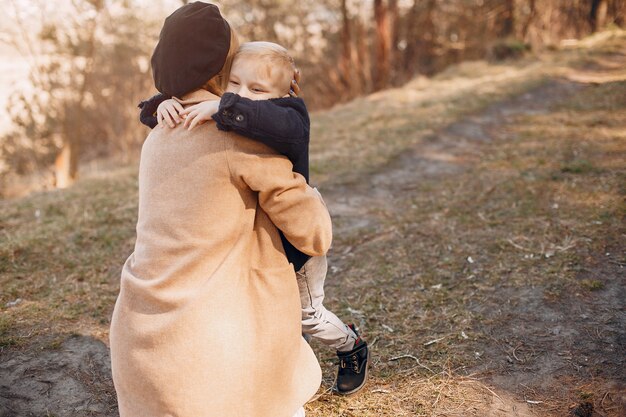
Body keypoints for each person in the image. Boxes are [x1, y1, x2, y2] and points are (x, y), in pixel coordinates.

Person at [109, 3, 330, 417]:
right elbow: (315, 233)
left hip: (139, 351)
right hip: (205, 368)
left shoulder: (159, 131)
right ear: (219, 67)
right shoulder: (236, 140)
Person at [141, 40, 370, 396]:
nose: (243, 95)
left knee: (305, 315)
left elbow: (276, 122)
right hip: (259, 244)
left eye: (256, 89)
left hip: (296, 239)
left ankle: (349, 344)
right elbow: (177, 110)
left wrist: (225, 104)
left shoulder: (290, 116)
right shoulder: (233, 110)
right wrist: (162, 104)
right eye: (234, 83)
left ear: (283, 93)